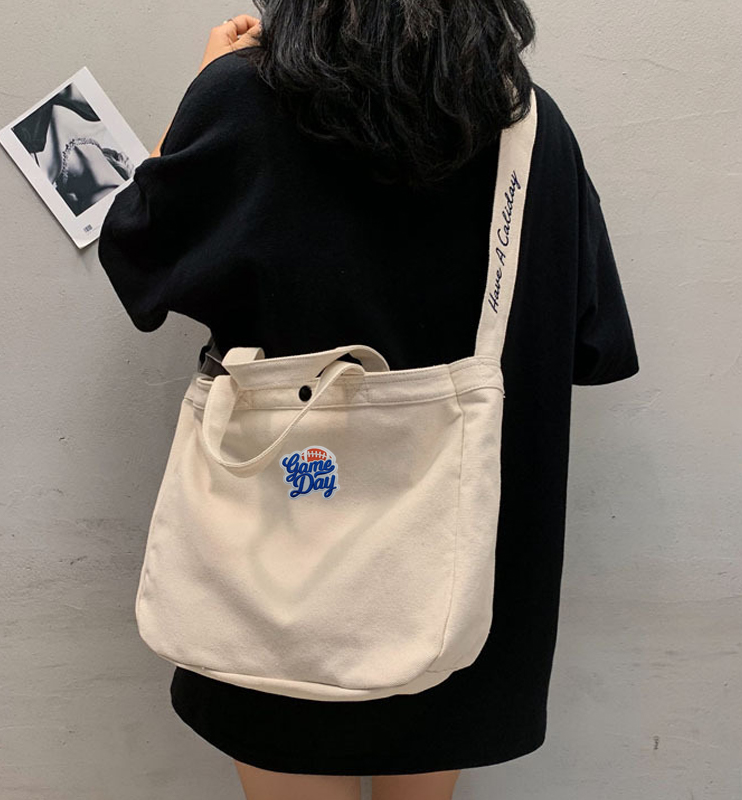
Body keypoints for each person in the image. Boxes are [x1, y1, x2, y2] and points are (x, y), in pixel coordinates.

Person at [97, 6, 640, 800]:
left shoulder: (243, 97)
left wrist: (199, 95)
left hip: (271, 564)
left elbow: (140, 255)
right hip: (463, 570)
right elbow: (592, 344)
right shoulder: (527, 127)